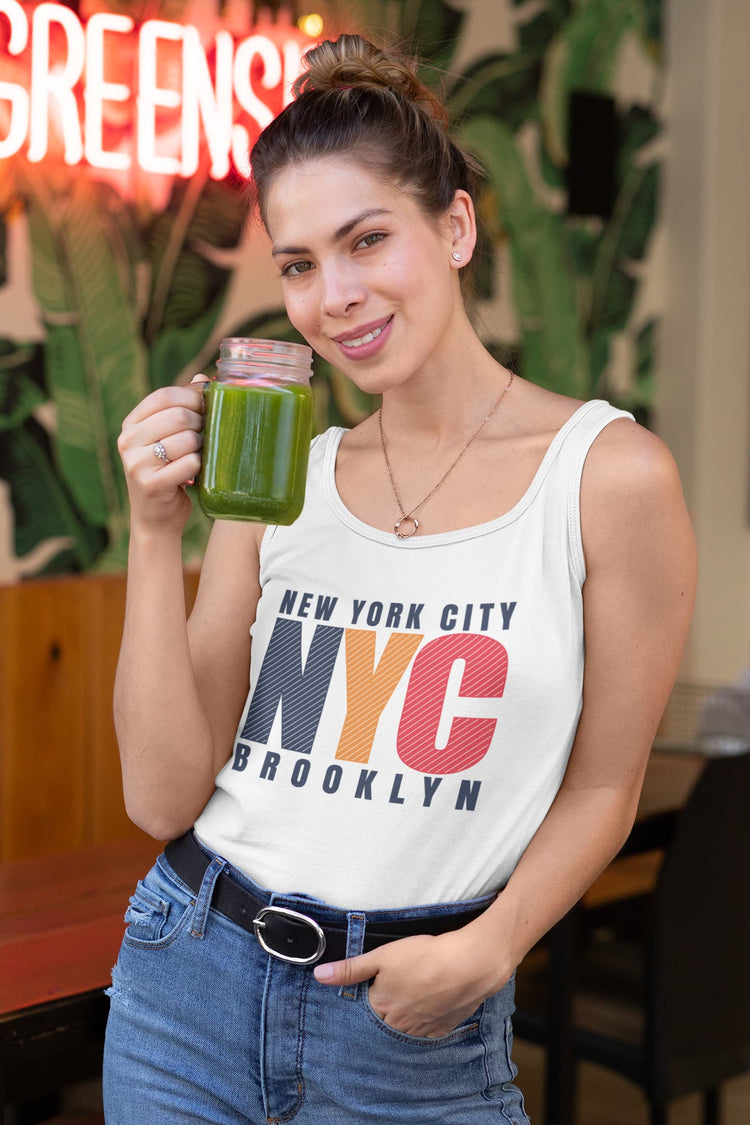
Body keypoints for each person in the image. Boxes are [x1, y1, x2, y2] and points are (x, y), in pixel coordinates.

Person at [103, 33, 696, 1125]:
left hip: (409, 1026)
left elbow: (606, 786)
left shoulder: (607, 478)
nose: (334, 296)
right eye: (297, 263)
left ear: (456, 227)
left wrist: (489, 948)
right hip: (185, 986)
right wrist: (152, 532)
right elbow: (159, 794)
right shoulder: (283, 482)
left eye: (367, 239)